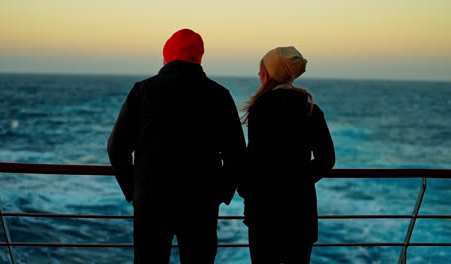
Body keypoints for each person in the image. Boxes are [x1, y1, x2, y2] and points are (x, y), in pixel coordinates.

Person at [107, 29, 246, 264]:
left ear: (168, 55)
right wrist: (221, 193)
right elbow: (237, 154)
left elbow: (116, 147)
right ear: (199, 57)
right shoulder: (219, 95)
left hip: (151, 200)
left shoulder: (143, 90)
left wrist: (133, 188)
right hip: (201, 203)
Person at [238, 46, 335, 264]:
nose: (258, 74)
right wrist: (298, 179)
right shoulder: (310, 108)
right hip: (300, 211)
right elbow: (326, 159)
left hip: (264, 212)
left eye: (261, 69)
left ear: (270, 73)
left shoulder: (260, 109)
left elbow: (255, 160)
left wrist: (246, 190)